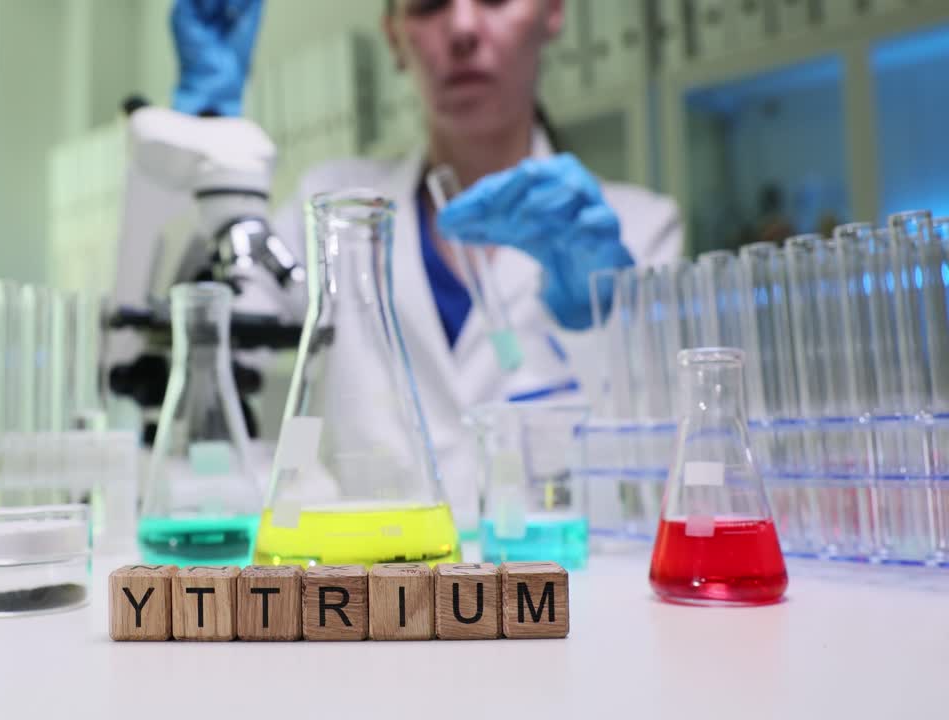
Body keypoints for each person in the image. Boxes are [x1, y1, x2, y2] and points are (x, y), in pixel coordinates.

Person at [169, 0, 682, 528]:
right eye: (429, 4)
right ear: (394, 36)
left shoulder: (642, 229)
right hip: (369, 571)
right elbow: (202, 343)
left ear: (551, 12)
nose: (462, 28)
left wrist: (590, 321)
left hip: (553, 576)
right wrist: (205, 149)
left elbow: (664, 485)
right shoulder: (329, 208)